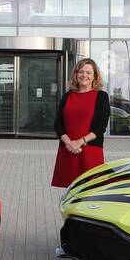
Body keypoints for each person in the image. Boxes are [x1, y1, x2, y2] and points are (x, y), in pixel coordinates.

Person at [51, 58, 110, 188]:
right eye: (81, 72)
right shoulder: (67, 96)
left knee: (91, 191)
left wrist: (80, 142)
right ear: (76, 74)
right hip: (68, 150)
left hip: (90, 151)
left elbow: (101, 127)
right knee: (70, 192)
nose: (84, 75)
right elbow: (58, 125)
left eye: (88, 72)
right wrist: (70, 144)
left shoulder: (102, 97)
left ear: (95, 76)